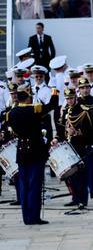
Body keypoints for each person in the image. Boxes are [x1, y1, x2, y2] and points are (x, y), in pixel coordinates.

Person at [11, 82, 59, 225]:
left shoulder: (12, 113)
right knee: (34, 185)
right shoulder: (34, 110)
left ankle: (26, 217)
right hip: (35, 151)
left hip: (21, 151)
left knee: (24, 185)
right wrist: (54, 90)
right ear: (27, 97)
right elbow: (52, 104)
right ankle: (34, 217)